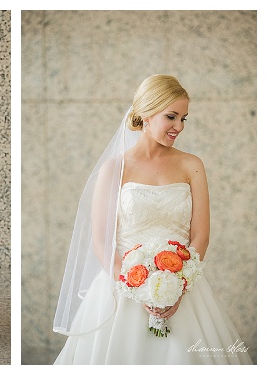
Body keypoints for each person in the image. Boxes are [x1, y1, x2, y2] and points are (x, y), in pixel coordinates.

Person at [52, 74, 252, 364]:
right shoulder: (114, 169)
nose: (179, 127)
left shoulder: (191, 165)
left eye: (184, 118)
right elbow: (101, 241)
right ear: (146, 113)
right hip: (120, 291)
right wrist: (139, 288)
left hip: (182, 289)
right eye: (171, 116)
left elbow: (200, 235)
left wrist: (178, 287)